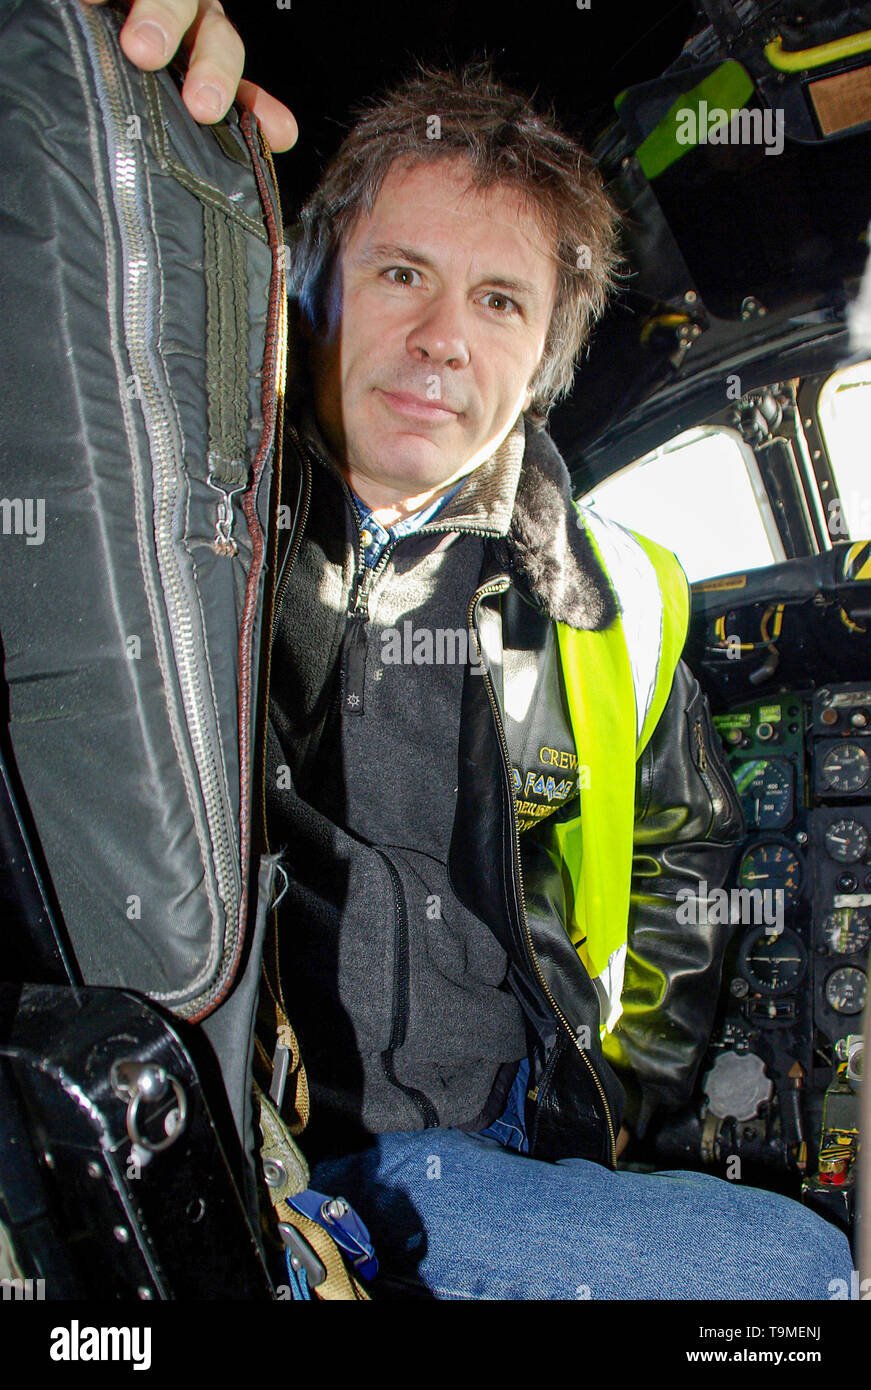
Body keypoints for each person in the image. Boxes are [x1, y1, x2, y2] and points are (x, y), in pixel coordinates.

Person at [87, 0, 854, 1301]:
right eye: (402, 273)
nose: (444, 336)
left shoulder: (621, 596)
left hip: (496, 1143)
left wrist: (619, 1094)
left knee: (805, 1272)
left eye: (499, 297)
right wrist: (91, 109)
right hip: (245, 1141)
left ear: (545, 354)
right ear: (314, 288)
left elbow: (688, 848)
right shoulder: (182, 522)